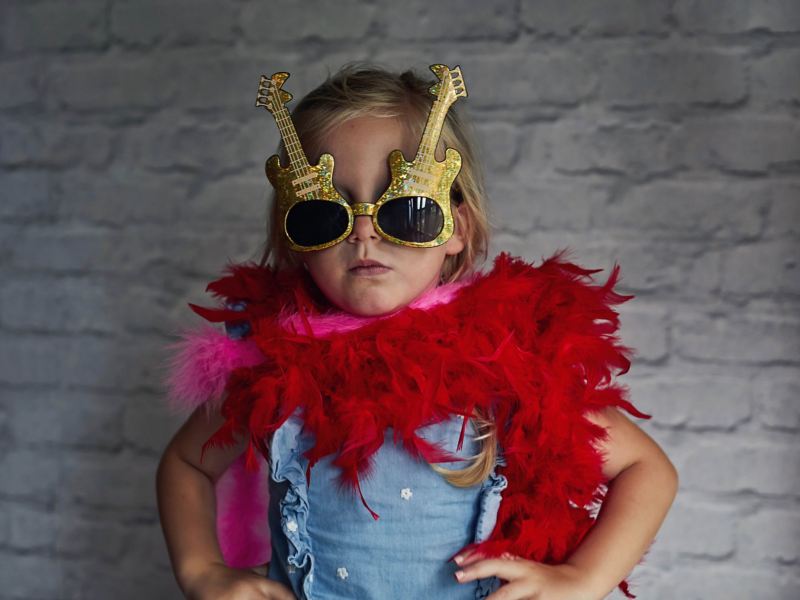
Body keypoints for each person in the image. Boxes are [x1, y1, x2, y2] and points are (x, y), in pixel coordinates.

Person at [156, 63, 678, 600]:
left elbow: (646, 469)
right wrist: (203, 572)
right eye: (323, 214)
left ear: (458, 228)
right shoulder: (270, 365)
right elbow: (185, 464)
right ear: (293, 240)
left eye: (405, 209)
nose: (363, 232)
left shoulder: (498, 359)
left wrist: (581, 578)